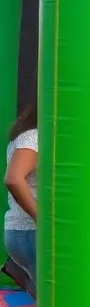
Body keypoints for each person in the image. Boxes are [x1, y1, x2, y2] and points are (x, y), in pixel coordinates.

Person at [3, 105, 37, 295]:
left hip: (22, 231)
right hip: (29, 231)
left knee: (45, 297)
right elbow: (13, 179)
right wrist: (41, 217)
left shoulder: (30, 135)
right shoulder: (34, 137)